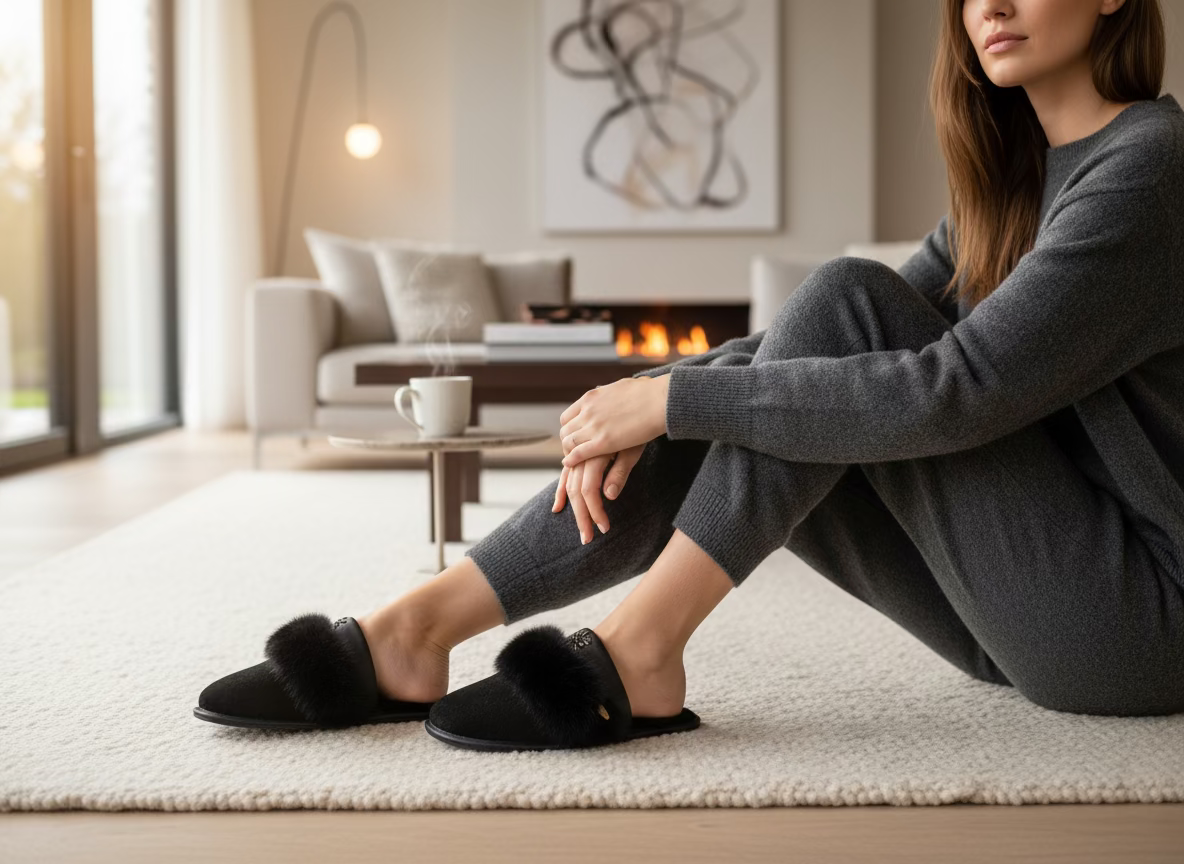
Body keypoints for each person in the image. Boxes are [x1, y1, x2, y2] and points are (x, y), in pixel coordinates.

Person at [198, 0, 1184, 746]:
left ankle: (642, 651)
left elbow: (954, 387)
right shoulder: (1008, 189)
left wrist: (668, 396)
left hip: (1136, 623)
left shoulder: (1149, 165)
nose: (987, 6)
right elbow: (790, 356)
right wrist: (646, 408)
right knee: (779, 372)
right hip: (1012, 617)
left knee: (838, 305)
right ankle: (417, 626)